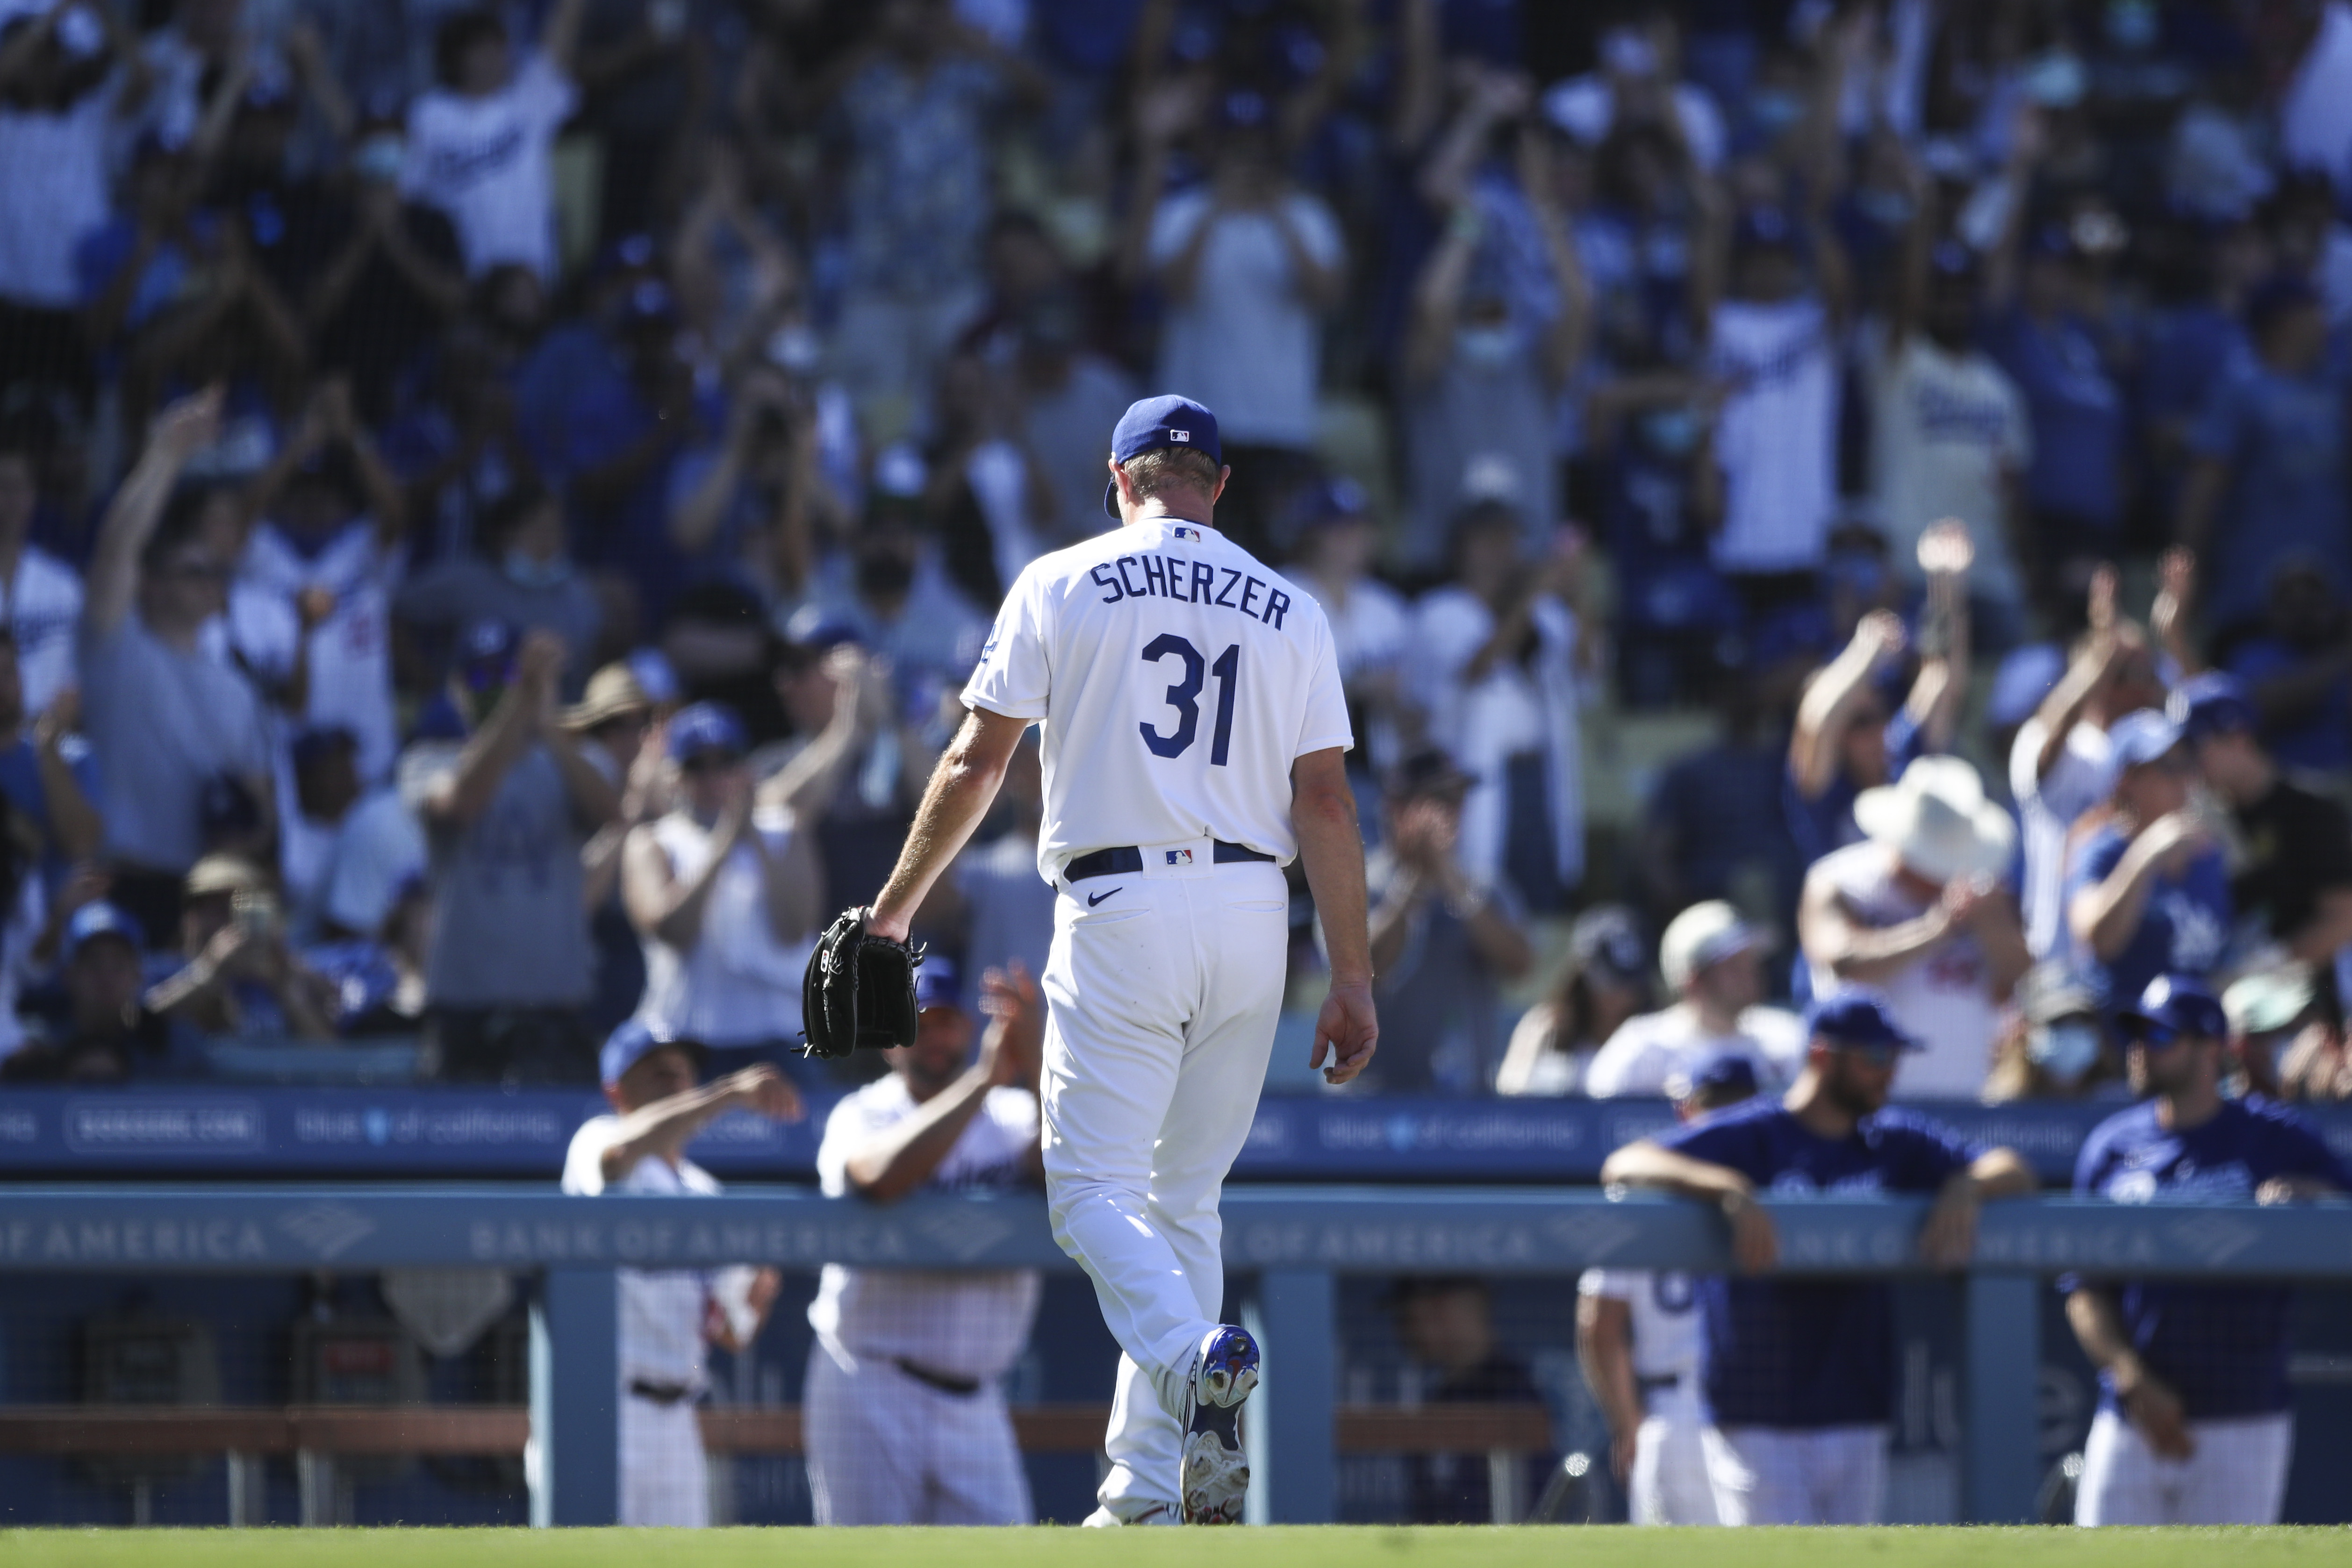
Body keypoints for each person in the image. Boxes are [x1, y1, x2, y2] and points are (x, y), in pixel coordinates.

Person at [855, 394, 1375, 1527]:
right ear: (1217, 484)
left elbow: (972, 759)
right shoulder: (1291, 606)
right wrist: (1352, 974)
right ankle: (1143, 1490)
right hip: (1253, 907)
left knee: (1088, 1192)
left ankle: (1193, 1365)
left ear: (1116, 474)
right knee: (1181, 1201)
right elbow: (1325, 800)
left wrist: (893, 911)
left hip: (1121, 896)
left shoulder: (1061, 578)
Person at [1599, 988, 2036, 1525]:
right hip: (1756, 1408)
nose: (1889, 1072)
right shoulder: (1757, 1133)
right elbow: (1626, 1161)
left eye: (1895, 1058)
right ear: (1823, 1056)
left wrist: (1968, 1186)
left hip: (1856, 1403)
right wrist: (1722, 1186)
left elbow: (2013, 1167)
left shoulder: (1892, 1140)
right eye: (1875, 1057)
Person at [2065, 974, 2351, 1526]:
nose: (2142, 1050)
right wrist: (2132, 1380)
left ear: (2209, 1048)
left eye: (2161, 1036)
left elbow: (2342, 1198)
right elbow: (2084, 1289)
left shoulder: (2273, 1136)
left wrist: (2311, 1194)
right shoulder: (2111, 1146)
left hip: (2241, 1415)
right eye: (2137, 1035)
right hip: (2133, 1416)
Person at [806, 959, 1047, 1526]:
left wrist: (1035, 1060)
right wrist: (982, 1080)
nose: (934, 1036)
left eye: (944, 1022)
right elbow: (878, 1177)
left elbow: (1063, 1168)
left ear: (965, 1028)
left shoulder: (1012, 1115)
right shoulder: (863, 1111)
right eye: (918, 1022)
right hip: (869, 1379)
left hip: (976, 1395)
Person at [560, 1019, 801, 1527]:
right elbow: (623, 1152)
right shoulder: (597, 1140)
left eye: (682, 1072)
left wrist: (757, 1296)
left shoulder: (704, 1190)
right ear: (616, 1090)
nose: (675, 1081)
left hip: (678, 1417)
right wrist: (730, 1093)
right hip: (602, 1409)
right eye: (657, 1073)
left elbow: (731, 1333)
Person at [78, 388, 274, 943]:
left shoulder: (237, 689)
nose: (211, 582)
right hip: (115, 880)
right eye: (193, 571)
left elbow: (262, 811)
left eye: (216, 574)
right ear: (153, 584)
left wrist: (243, 835)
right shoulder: (118, 648)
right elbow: (117, 549)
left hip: (199, 894)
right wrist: (165, 456)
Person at [407, 623, 618, 1083]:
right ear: (457, 689)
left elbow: (609, 810)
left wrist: (544, 721)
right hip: (465, 1014)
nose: (498, 691)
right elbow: (463, 802)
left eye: (505, 676)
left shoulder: (571, 761)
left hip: (554, 1016)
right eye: (479, 679)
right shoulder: (427, 761)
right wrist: (516, 708)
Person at [1578, 1052, 1760, 1525]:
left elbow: (1599, 1325)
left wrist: (1628, 1424)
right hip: (1751, 1412)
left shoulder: (1642, 1195)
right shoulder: (1767, 1188)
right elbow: (1600, 1324)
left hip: (1675, 1413)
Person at [1799, 756, 2029, 1100]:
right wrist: (1936, 930)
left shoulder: (1986, 892)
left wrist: (1991, 925)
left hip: (1968, 1103)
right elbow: (1844, 962)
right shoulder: (1840, 881)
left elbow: (2022, 980)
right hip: (1861, 1104)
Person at [623, 702, 822, 1074]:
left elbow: (795, 929)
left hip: (778, 1037)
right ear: (675, 776)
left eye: (726, 762)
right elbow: (672, 930)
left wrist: (754, 838)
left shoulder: (785, 832)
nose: (713, 779)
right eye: (697, 766)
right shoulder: (652, 842)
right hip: (686, 1040)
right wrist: (724, 843)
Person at [2009, 569, 2171, 959]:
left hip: (2131, 957)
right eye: (2126, 672)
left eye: (2149, 673)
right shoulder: (2065, 746)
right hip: (2059, 960)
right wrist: (2102, 653)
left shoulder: (2159, 751)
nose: (2143, 686)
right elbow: (2054, 727)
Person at [1362, 746, 1535, 1095]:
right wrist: (1416, 883)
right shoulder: (1357, 882)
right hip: (1371, 1107)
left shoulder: (1484, 887)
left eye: (1457, 801)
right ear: (1397, 809)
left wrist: (1449, 880)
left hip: (1466, 1106)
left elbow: (1520, 964)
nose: (1452, 814)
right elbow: (1365, 969)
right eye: (1437, 801)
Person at [2172, 673, 2352, 970]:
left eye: (2195, 748)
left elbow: (2344, 917)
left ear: (2239, 737)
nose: (2188, 763)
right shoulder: (2204, 818)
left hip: (2319, 992)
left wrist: (2270, 969)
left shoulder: (2311, 811)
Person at [402, 0, 588, 280]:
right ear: (454, 57)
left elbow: (563, 31)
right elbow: (406, 193)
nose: (495, 56)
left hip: (533, 279)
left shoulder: (528, 101)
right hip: (463, 279)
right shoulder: (428, 115)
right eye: (483, 48)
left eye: (499, 46)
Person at [2064, 710, 2230, 1010]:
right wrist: (2147, 854)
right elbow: (2098, 941)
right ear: (2126, 780)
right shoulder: (2101, 850)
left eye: (2188, 766)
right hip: (2126, 1034)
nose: (2184, 780)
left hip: (2193, 1035)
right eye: (2170, 767)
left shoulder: (2207, 854)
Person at [1584, 900, 1803, 1098]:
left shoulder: (1787, 1036)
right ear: (1693, 980)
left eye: (1751, 961)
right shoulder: (1641, 1049)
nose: (1750, 973)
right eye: (1733, 965)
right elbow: (1601, 1123)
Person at [1387, 1275, 1548, 1524]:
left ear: (1453, 1310)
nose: (1408, 1330)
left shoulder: (1508, 1389)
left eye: (1414, 1317)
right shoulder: (1442, 1395)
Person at [1497, 904, 1651, 1096]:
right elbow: (1509, 1101)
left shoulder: (1656, 1033)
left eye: (1628, 984)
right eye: (1610, 985)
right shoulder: (1547, 1027)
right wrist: (1533, 1050)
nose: (1621, 997)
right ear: (1583, 977)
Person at [1983, 963, 2119, 1103]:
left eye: (2082, 1022)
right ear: (2026, 1031)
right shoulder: (1999, 1107)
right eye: (2057, 1022)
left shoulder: (2118, 1106)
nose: (2070, 1033)